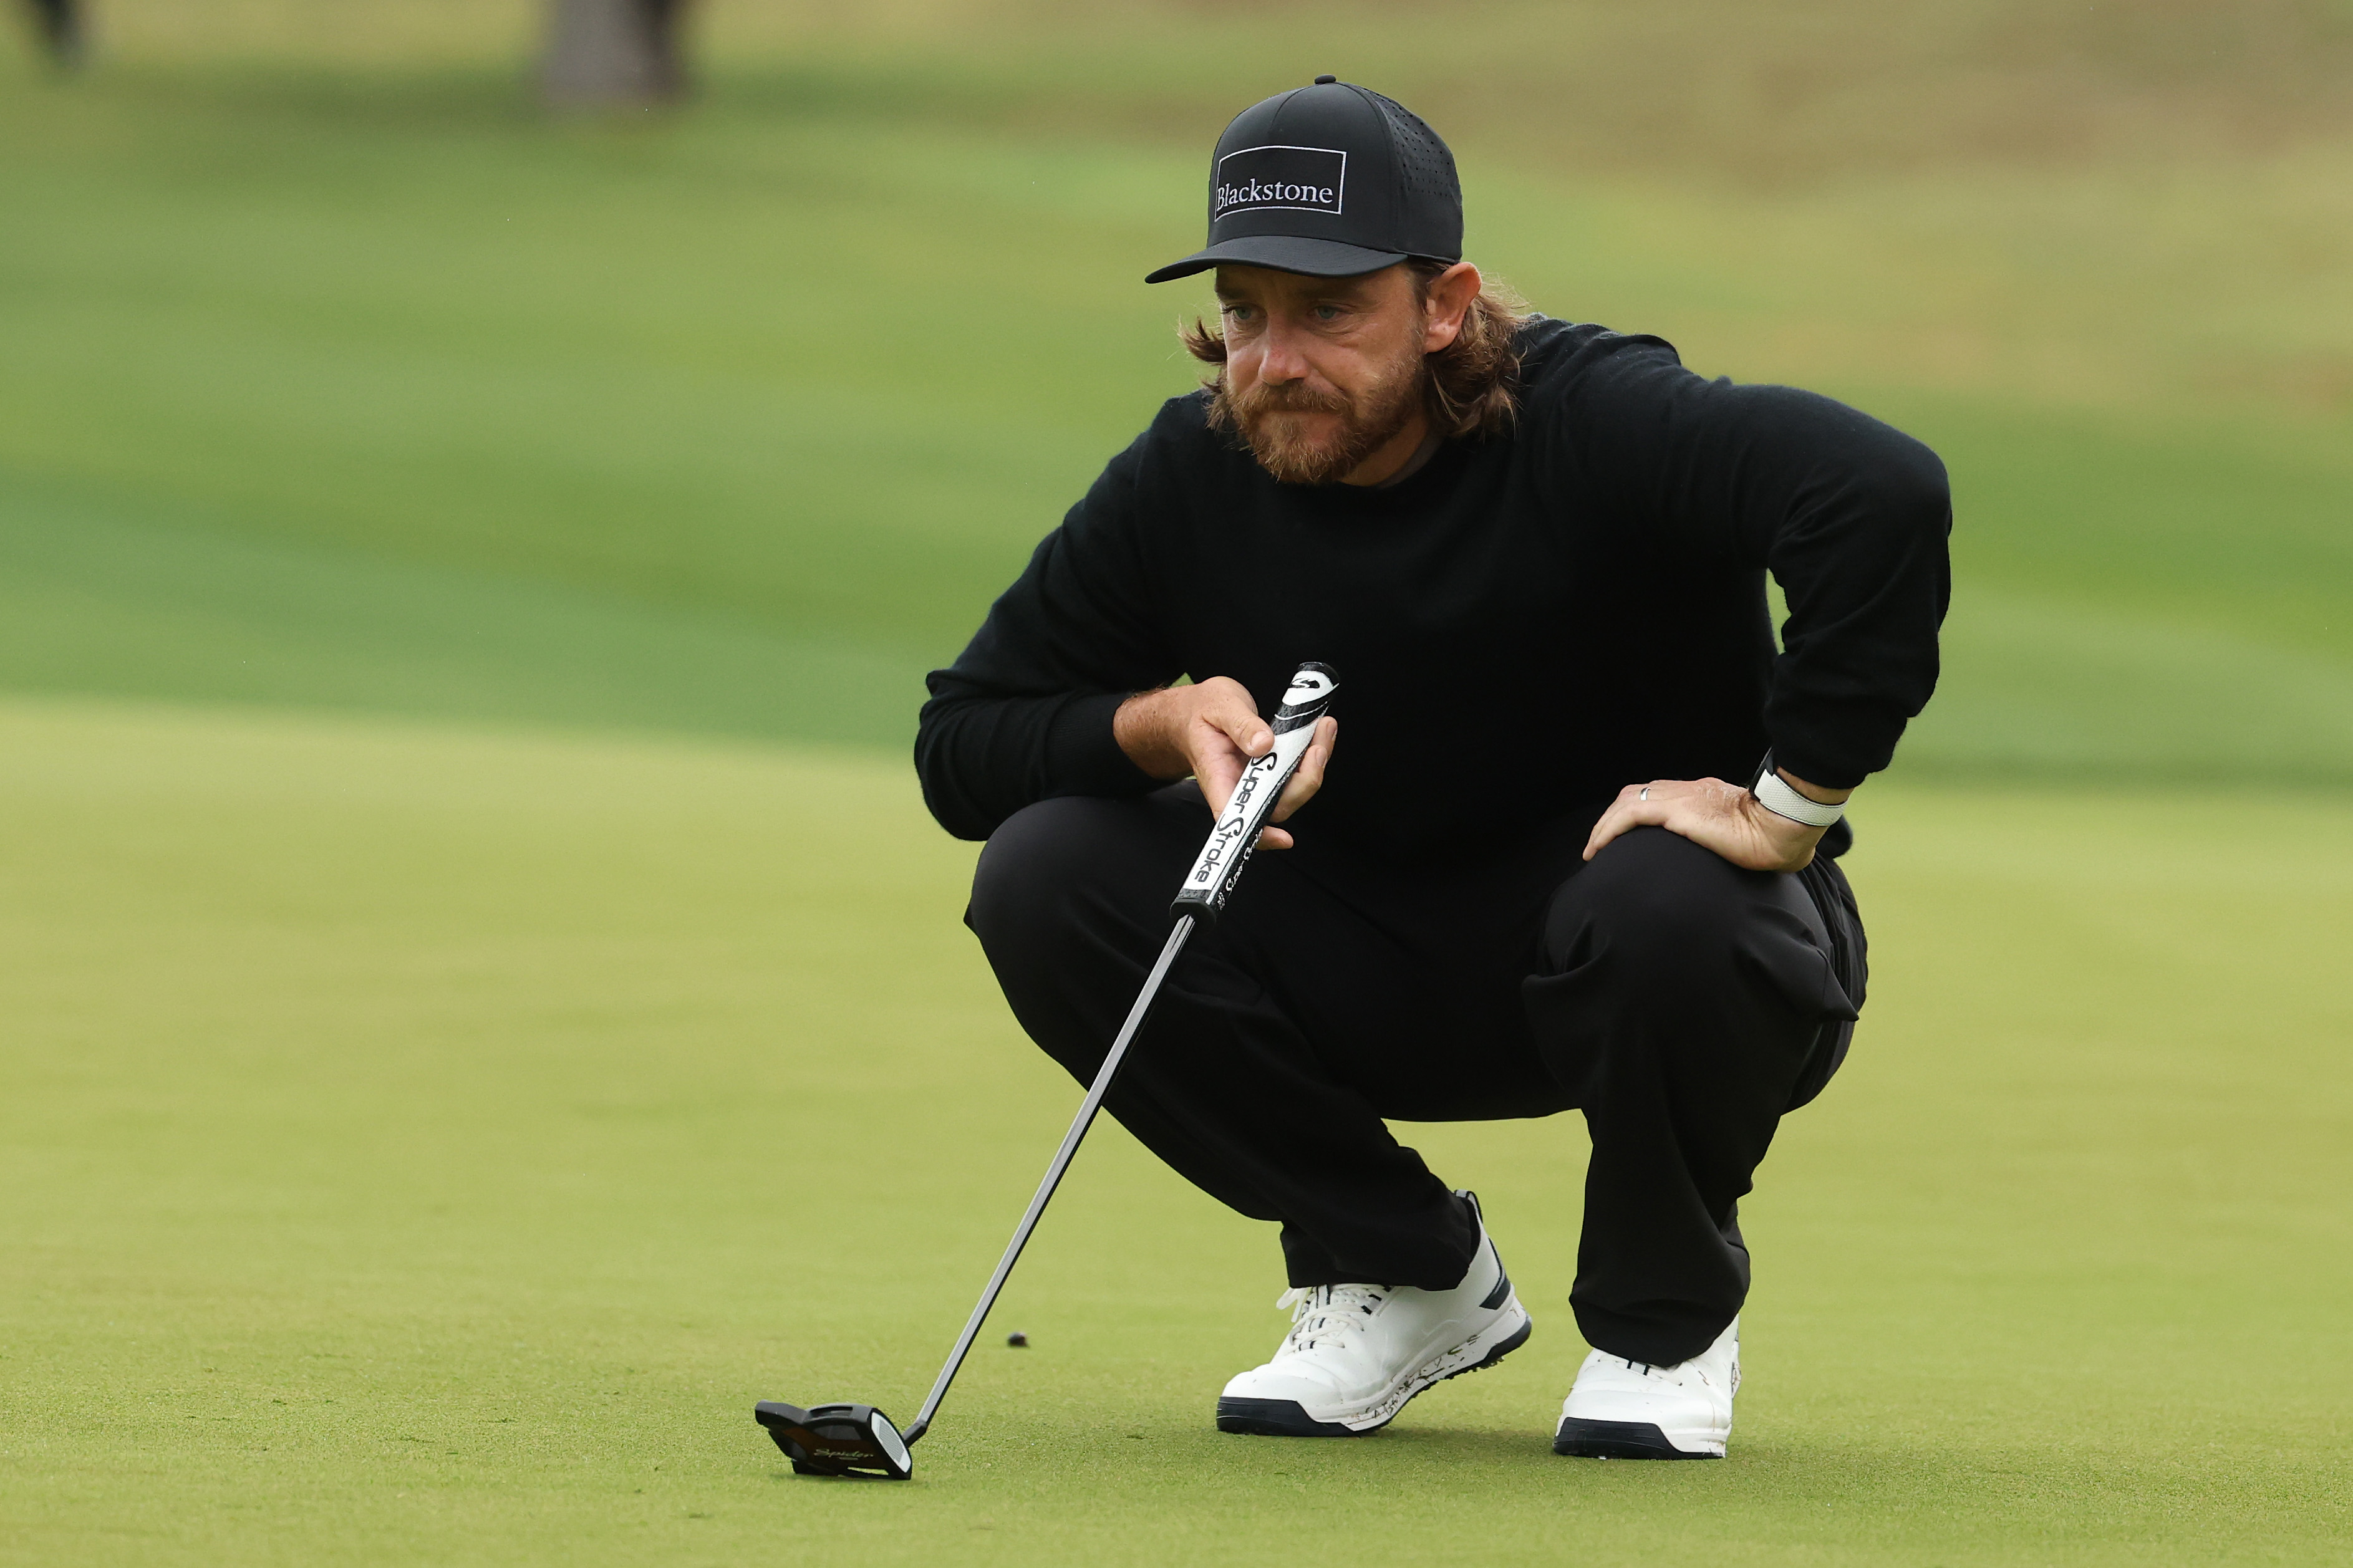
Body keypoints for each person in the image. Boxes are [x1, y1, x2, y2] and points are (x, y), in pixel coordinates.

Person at [914, 76, 1949, 1460]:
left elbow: (1876, 492)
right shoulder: (1194, 472)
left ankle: (1662, 1321)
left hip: (1671, 964)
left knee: (1667, 901)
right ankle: (1400, 1266)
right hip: (1363, 970)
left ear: (1445, 305)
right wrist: (1152, 723)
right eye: (1247, 311)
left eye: (1328, 310)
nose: (1274, 359)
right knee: (1043, 872)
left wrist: (1789, 808)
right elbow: (963, 742)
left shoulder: (1596, 416)